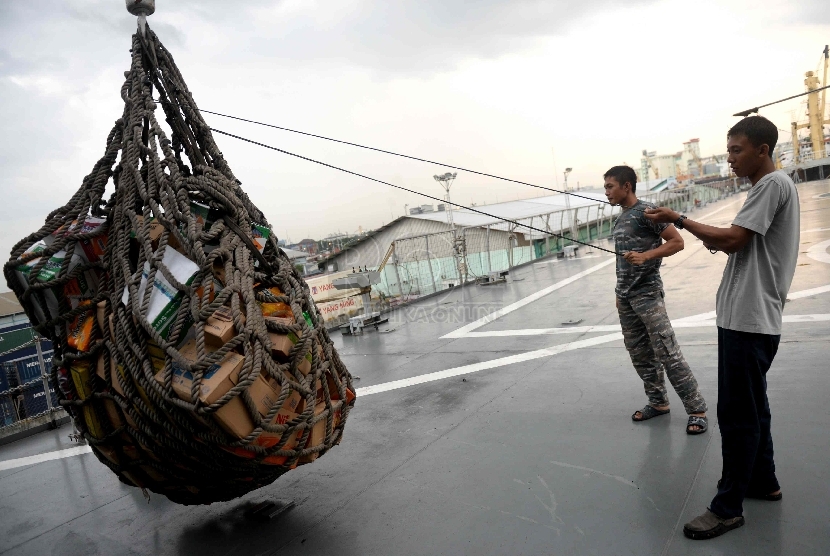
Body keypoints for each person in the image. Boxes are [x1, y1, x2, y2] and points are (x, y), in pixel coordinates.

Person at [644, 115, 799, 540]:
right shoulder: (769, 187)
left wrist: (680, 217)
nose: (729, 159)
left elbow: (732, 239)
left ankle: (728, 507)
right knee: (754, 408)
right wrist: (699, 230)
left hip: (748, 321)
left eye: (736, 150)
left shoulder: (770, 185)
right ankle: (762, 481)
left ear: (762, 150)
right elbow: (728, 239)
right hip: (748, 319)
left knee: (737, 415)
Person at [604, 165, 708, 435]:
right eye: (605, 187)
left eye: (610, 186)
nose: (606, 192)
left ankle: (697, 409)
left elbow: (677, 241)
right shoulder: (621, 217)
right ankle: (658, 402)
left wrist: (647, 256)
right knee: (639, 354)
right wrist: (619, 294)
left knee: (667, 351)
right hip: (626, 297)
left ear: (627, 186)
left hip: (648, 295)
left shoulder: (647, 212)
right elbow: (622, 264)